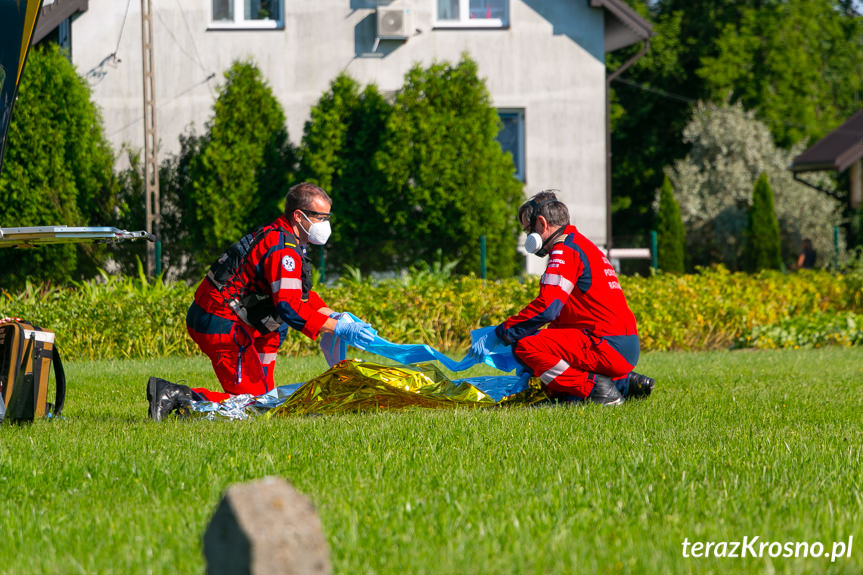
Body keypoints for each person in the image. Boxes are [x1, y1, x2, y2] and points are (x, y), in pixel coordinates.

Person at [147, 182, 376, 420]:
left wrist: (334, 315)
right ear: (299, 216)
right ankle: (175, 395)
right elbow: (290, 307)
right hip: (221, 321)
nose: (325, 225)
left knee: (266, 397)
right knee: (255, 406)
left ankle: (194, 407)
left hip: (232, 319)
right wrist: (339, 328)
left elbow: (299, 294)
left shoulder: (284, 238)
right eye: (320, 217)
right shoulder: (283, 249)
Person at [469, 190, 654, 406]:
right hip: (621, 344)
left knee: (526, 346)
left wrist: (502, 333)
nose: (528, 236)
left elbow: (548, 308)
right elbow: (561, 318)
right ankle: (624, 383)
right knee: (543, 360)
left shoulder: (563, 251)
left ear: (542, 223)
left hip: (607, 346)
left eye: (528, 230)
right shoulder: (582, 244)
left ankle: (597, 391)